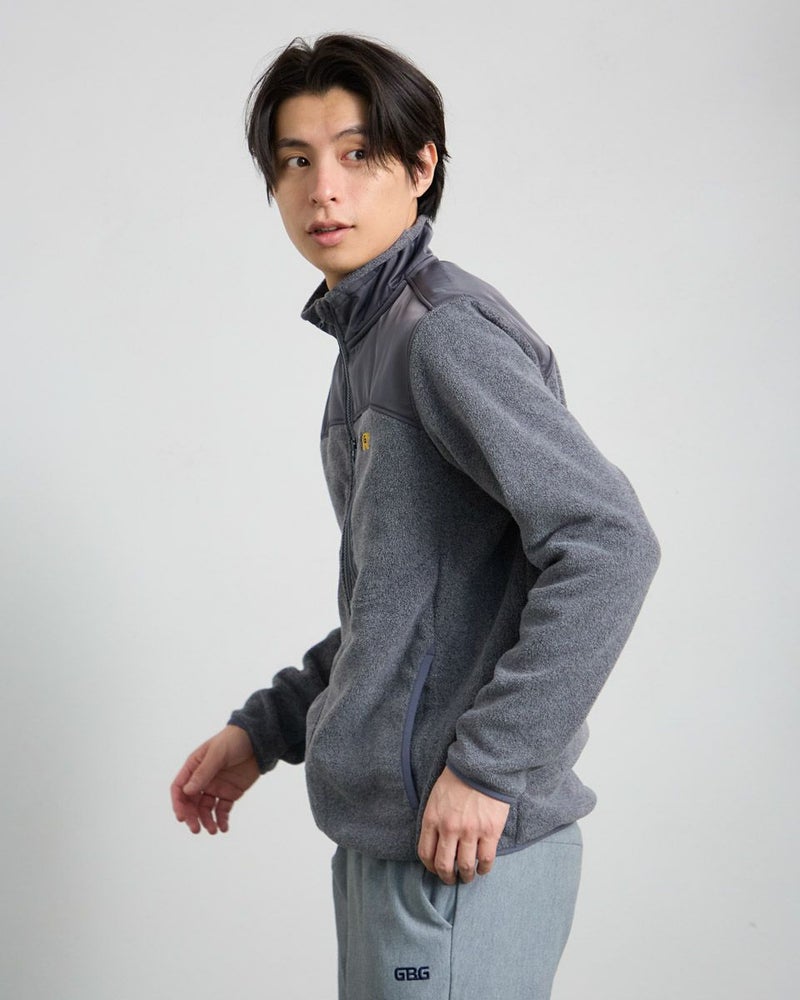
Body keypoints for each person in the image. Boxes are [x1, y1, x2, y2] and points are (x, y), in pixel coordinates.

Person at [170, 33, 660, 999]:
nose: (324, 191)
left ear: (422, 166)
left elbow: (610, 543)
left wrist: (488, 768)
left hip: (461, 850)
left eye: (357, 154)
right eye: (296, 161)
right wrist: (268, 729)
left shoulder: (442, 336)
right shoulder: (368, 350)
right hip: (393, 842)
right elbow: (403, 608)